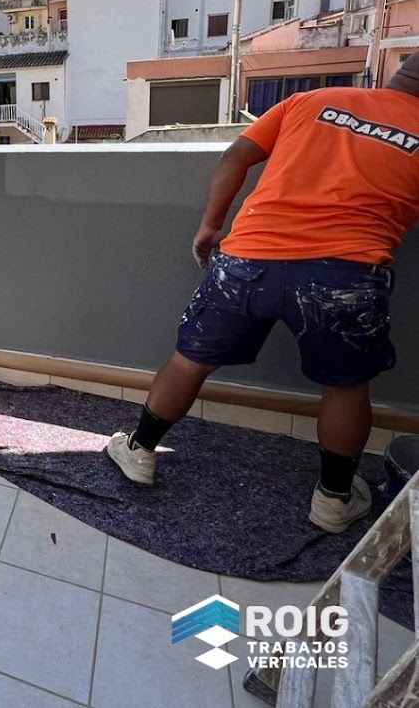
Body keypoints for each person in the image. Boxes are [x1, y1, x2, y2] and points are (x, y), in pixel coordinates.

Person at [107, 54, 419, 533]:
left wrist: (211, 227)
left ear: (395, 72)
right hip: (347, 276)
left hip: (249, 259)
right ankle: (333, 500)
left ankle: (139, 451)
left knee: (190, 359)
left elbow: (236, 156)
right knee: (347, 386)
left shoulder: (313, 100)